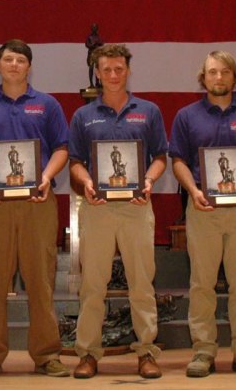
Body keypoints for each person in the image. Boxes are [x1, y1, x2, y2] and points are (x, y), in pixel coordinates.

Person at [0, 39, 70, 378]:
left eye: (20, 60)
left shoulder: (47, 105)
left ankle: (47, 354)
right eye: (8, 59)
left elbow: (62, 148)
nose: (14, 65)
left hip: (38, 201)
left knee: (41, 280)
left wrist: (46, 177)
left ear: (29, 67)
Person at [170, 51, 236, 377]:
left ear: (234, 77)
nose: (219, 77)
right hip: (203, 209)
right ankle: (203, 351)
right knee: (202, 285)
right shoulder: (186, 116)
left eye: (225, 72)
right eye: (213, 72)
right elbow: (178, 160)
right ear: (203, 78)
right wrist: (193, 190)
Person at [66, 44, 168, 379]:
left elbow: (160, 157)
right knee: (92, 284)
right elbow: (76, 162)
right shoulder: (83, 116)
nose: (113, 75)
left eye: (119, 69)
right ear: (97, 72)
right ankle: (88, 353)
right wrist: (87, 183)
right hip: (97, 208)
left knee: (141, 283)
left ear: (128, 70)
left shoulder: (148, 111)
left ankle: (146, 351)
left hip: (136, 207)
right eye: (107, 69)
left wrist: (149, 181)